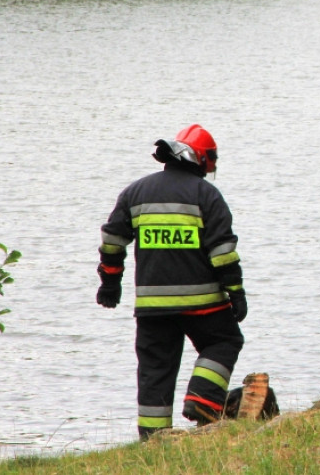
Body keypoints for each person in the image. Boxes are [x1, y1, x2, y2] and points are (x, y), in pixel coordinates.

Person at [96, 124, 247, 441]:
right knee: (225, 341)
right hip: (203, 304)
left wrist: (110, 284)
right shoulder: (205, 195)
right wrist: (236, 292)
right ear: (202, 159)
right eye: (212, 160)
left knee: (155, 369)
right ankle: (203, 401)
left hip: (152, 307)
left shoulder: (134, 193)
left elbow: (112, 241)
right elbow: (222, 253)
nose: (213, 168)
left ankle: (153, 439)